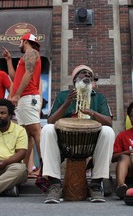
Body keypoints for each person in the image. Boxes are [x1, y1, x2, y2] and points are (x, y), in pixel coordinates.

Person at [40, 65, 115, 203]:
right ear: (75, 79)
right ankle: (55, 184)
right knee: (47, 129)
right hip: (64, 143)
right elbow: (50, 120)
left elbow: (109, 122)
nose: (87, 75)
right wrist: (67, 103)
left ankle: (96, 184)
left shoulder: (99, 97)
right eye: (83, 73)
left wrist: (92, 113)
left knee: (108, 131)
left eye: (89, 75)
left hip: (91, 143)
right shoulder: (63, 96)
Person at [2, 33, 42, 178]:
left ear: (25, 41)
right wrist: (8, 60)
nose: (19, 43)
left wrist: (17, 94)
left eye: (20, 41)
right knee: (27, 135)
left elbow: (29, 73)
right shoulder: (25, 56)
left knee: (36, 132)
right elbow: (15, 77)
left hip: (28, 96)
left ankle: (45, 168)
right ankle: (26, 168)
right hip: (25, 97)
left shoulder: (31, 52)